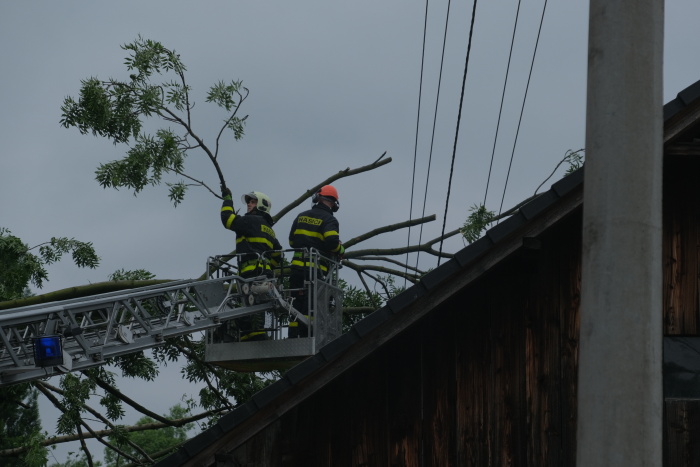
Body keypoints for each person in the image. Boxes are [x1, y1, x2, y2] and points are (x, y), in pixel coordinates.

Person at [220, 188, 283, 341]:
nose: (249, 204)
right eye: (249, 202)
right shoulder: (269, 229)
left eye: (253, 202)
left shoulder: (250, 221)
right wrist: (268, 266)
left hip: (250, 273)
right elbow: (278, 254)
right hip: (263, 274)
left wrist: (227, 199)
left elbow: (227, 219)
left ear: (261, 205)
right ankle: (250, 335)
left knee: (250, 308)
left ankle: (251, 336)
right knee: (254, 308)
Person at [287, 185, 345, 338]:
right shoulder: (329, 219)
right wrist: (341, 249)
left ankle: (293, 337)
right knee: (312, 307)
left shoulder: (301, 216)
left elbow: (292, 242)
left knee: (295, 305)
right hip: (315, 272)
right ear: (334, 203)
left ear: (317, 198)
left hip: (296, 271)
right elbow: (331, 242)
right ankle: (308, 338)